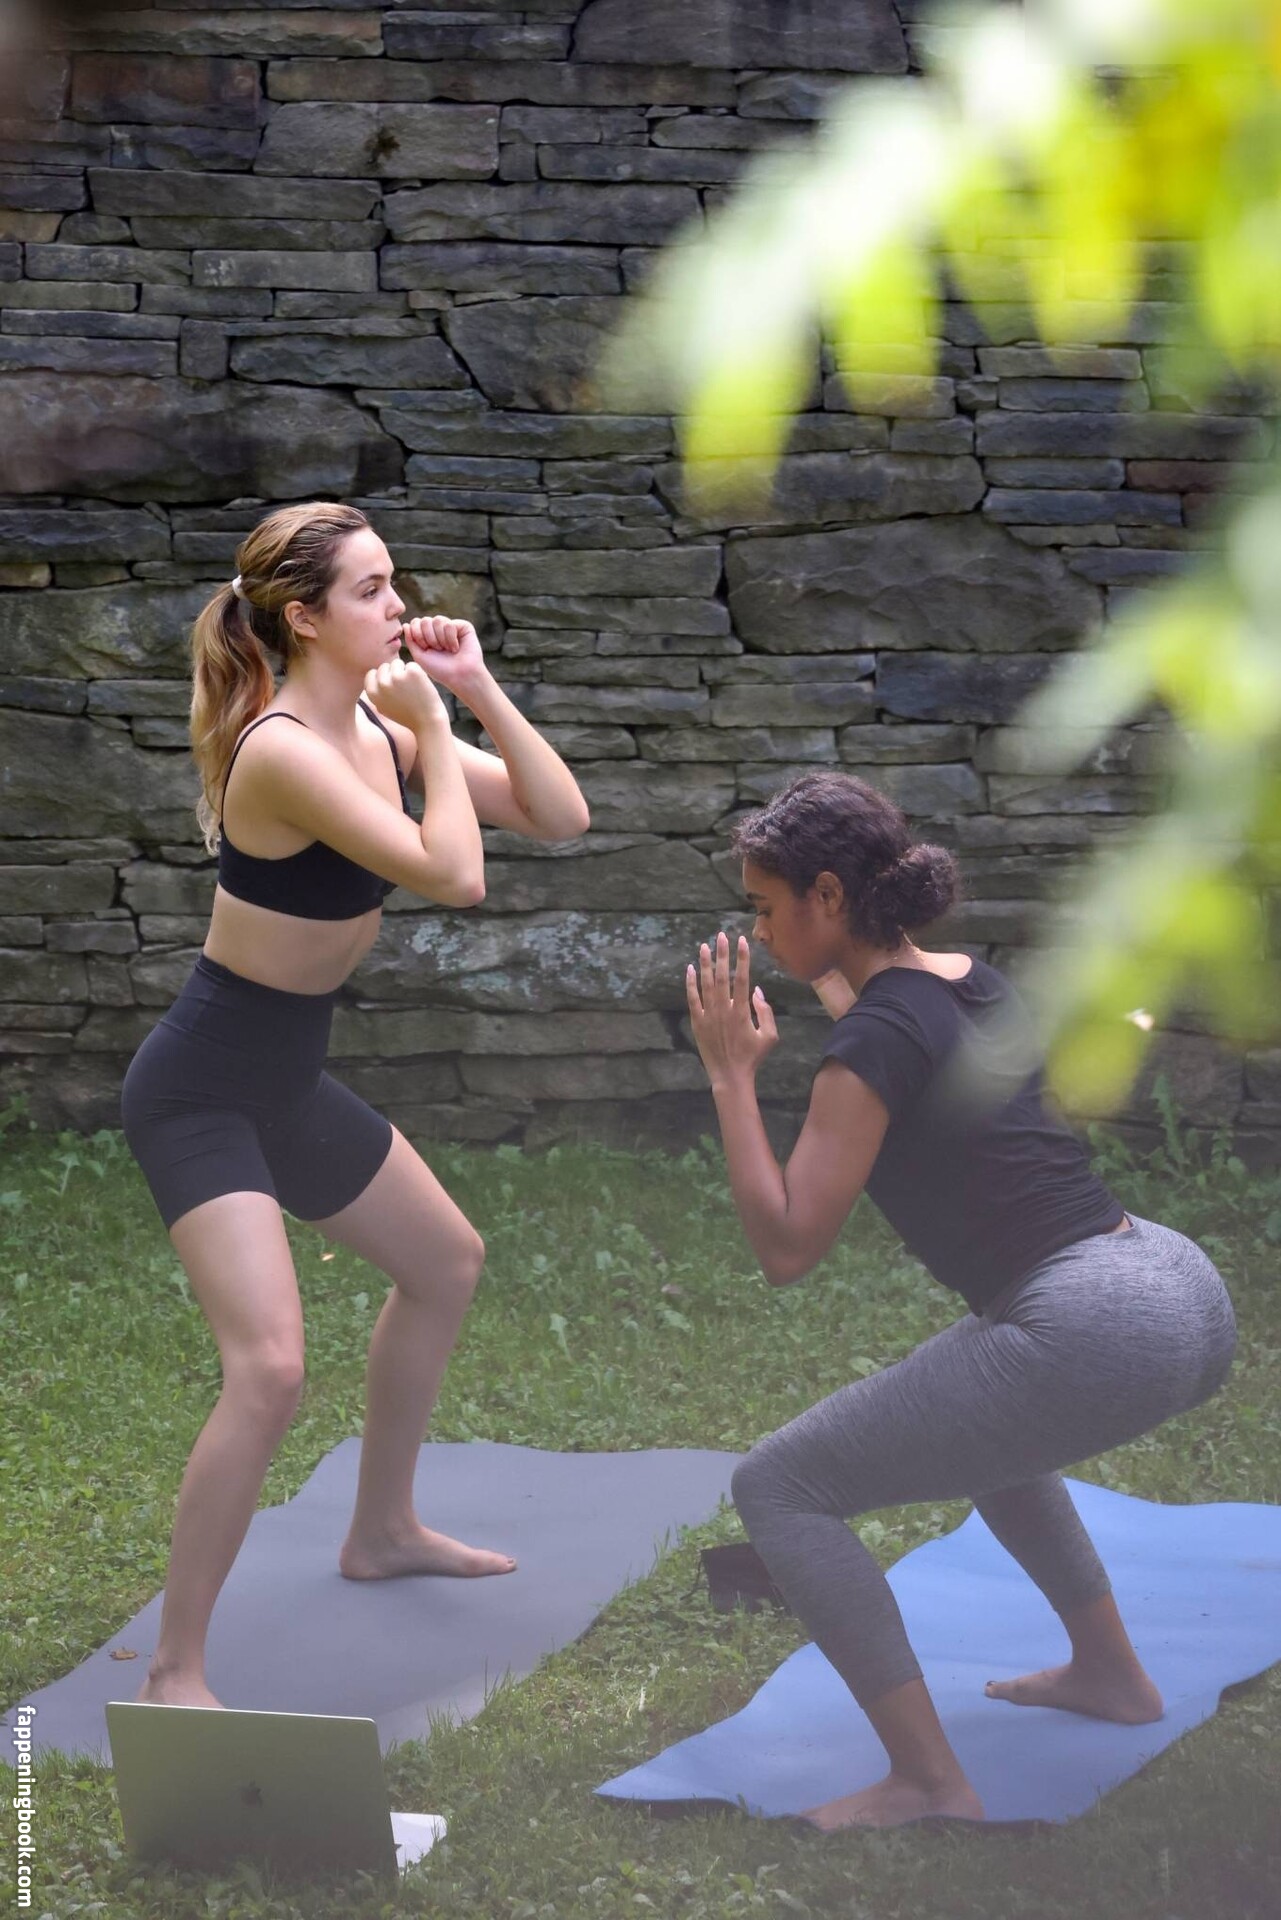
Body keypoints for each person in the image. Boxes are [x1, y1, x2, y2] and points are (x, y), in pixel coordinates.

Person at [684, 769, 1237, 1830]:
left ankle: (928, 1782)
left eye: (765, 906)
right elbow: (897, 1033)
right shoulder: (969, 981)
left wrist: (729, 1074)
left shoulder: (872, 1044)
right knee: (987, 1429)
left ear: (828, 896)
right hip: (1176, 1284)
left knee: (781, 1487)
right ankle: (1111, 1676)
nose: (756, 929)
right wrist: (826, 992)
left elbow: (788, 1246)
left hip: (1093, 1322)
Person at [121, 501, 589, 1710]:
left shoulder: (380, 728)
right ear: (305, 618)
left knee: (445, 1263)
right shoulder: (284, 750)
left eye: (396, 583)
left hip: (284, 1080)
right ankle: (175, 1669)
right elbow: (455, 876)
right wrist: (431, 729)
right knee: (270, 1368)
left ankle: (380, 1530)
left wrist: (472, 691)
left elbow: (559, 815)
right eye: (374, 590)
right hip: (202, 1092)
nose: (400, 606)